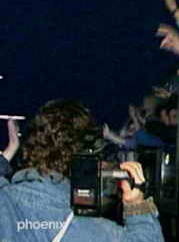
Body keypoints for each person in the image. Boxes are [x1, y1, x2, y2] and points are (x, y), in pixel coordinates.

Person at [0, 99, 165, 242]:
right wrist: (137, 205)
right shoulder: (83, 228)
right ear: (84, 160)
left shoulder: (4, 197)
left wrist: (10, 150)